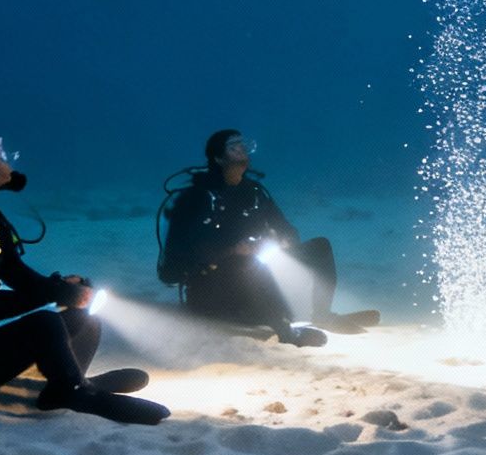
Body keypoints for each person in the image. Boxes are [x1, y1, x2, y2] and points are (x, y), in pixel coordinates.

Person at [0, 129, 168, 424]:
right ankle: (72, 391)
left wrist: (62, 289)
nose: (4, 157)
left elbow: (17, 274)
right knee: (44, 323)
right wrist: (53, 294)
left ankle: (70, 381)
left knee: (83, 316)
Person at [158, 129, 379, 345]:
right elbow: (173, 266)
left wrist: (282, 240)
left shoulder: (254, 193)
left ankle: (322, 315)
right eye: (234, 148)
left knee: (320, 247)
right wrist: (233, 250)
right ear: (217, 158)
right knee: (250, 265)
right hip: (212, 291)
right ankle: (285, 332)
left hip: (254, 279)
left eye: (244, 146)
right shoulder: (195, 198)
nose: (243, 152)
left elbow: (286, 229)